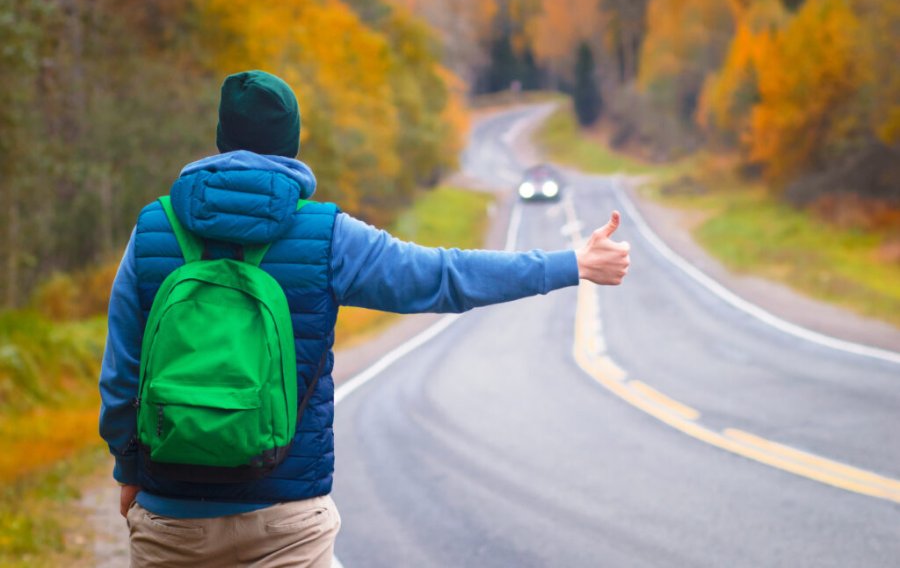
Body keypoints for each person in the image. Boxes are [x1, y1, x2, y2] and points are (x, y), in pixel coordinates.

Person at [99, 70, 630, 567]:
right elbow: (442, 276)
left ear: (220, 137)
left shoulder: (154, 228)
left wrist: (129, 471)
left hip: (171, 521)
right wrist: (572, 264)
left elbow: (121, 375)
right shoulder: (328, 236)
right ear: (291, 143)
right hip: (287, 528)